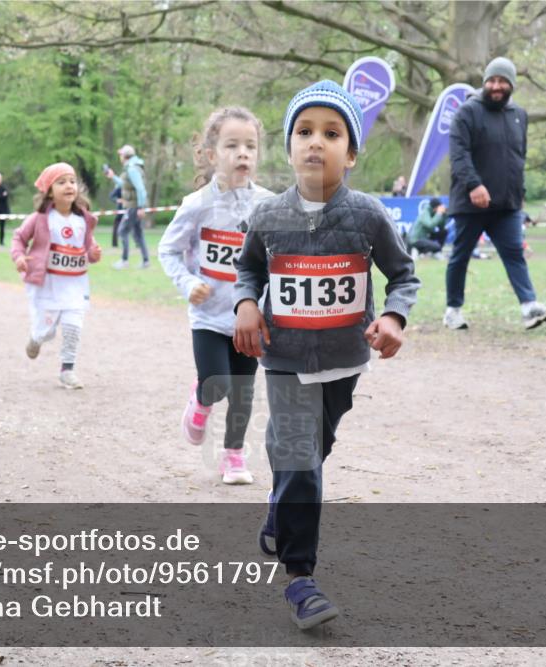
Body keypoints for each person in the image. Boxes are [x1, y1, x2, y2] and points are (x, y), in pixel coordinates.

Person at [234, 80, 420, 629]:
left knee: (314, 449)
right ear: (289, 147)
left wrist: (393, 316)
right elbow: (249, 266)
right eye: (304, 131)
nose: (317, 142)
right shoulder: (268, 216)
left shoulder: (367, 215)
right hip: (285, 356)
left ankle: (279, 507)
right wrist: (247, 302)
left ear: (352, 153)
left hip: (344, 359)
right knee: (298, 457)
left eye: (331, 133)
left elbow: (403, 275)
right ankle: (300, 580)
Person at [158, 106, 275, 485]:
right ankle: (200, 400)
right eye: (232, 145)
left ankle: (234, 458)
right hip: (209, 315)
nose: (243, 153)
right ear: (211, 156)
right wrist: (189, 284)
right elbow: (168, 251)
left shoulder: (269, 206)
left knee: (243, 391)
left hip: (250, 316)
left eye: (250, 146)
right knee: (217, 383)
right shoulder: (197, 205)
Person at [444, 57, 546, 331]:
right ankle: (452, 310)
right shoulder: (467, 113)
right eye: (492, 80)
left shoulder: (519, 115)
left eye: (502, 81)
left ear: (511, 85)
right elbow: (458, 156)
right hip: (471, 203)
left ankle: (529, 307)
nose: (496, 86)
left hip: (507, 204)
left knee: (514, 254)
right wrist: (474, 185)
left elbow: (518, 157)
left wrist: (520, 194)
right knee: (461, 256)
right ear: (485, 83)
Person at [11, 163, 102, 389]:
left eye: (72, 181)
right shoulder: (39, 219)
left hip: (75, 284)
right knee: (47, 330)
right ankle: (36, 337)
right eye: (61, 182)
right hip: (47, 284)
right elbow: (18, 238)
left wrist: (94, 253)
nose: (69, 186)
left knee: (74, 326)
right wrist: (19, 257)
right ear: (50, 191)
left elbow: (89, 250)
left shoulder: (84, 220)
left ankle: (67, 370)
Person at [114, 144, 150, 269]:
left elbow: (140, 189)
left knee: (122, 231)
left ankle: (124, 261)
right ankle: (146, 261)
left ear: (125, 156)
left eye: (120, 154)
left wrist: (141, 207)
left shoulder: (132, 169)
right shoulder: (133, 167)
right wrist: (112, 176)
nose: (120, 157)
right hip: (134, 206)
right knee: (138, 234)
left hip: (134, 206)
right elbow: (124, 184)